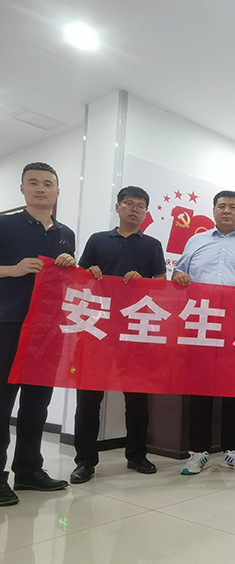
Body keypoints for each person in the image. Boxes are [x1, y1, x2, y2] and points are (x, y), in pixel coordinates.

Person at [70, 186, 167, 484]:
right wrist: (90, 273)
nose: (134, 209)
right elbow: (79, 278)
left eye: (140, 206)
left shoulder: (152, 245)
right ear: (118, 207)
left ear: (146, 212)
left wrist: (143, 282)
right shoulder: (98, 240)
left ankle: (136, 455)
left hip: (134, 329)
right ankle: (85, 461)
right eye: (129, 203)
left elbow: (161, 284)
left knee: (137, 397)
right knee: (89, 398)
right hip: (96, 327)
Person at [173, 190, 235, 475]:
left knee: (234, 388)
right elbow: (177, 275)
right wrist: (180, 277)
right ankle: (198, 452)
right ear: (214, 211)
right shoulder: (196, 241)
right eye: (221, 206)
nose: (226, 211)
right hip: (201, 323)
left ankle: (232, 450)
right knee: (200, 389)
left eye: (232, 207)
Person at [0, 162, 76, 506]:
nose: (41, 189)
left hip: (48, 328)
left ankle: (29, 470)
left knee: (37, 403)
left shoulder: (65, 233)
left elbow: (65, 282)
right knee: (2, 401)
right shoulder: (5, 224)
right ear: (22, 189)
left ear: (57, 191)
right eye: (33, 183)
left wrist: (70, 266)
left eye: (48, 183)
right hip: (9, 323)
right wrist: (12, 270)